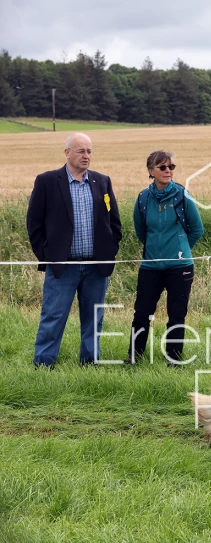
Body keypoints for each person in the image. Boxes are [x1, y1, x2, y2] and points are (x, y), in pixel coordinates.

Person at [26, 133, 122, 368]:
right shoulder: (47, 181)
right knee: (53, 317)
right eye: (81, 151)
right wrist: (48, 256)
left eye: (89, 151)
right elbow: (34, 223)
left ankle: (90, 364)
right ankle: (44, 365)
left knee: (93, 319)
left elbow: (114, 223)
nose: (86, 156)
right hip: (63, 266)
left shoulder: (102, 181)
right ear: (67, 153)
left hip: (96, 267)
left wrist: (109, 250)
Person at [126, 151, 204, 365]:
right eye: (162, 167)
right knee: (142, 313)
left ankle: (174, 359)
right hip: (150, 266)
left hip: (180, 267)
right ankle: (134, 356)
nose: (168, 170)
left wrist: (181, 249)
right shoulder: (143, 198)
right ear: (151, 171)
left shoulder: (182, 195)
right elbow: (141, 231)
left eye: (171, 167)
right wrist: (156, 250)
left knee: (176, 314)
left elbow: (197, 229)